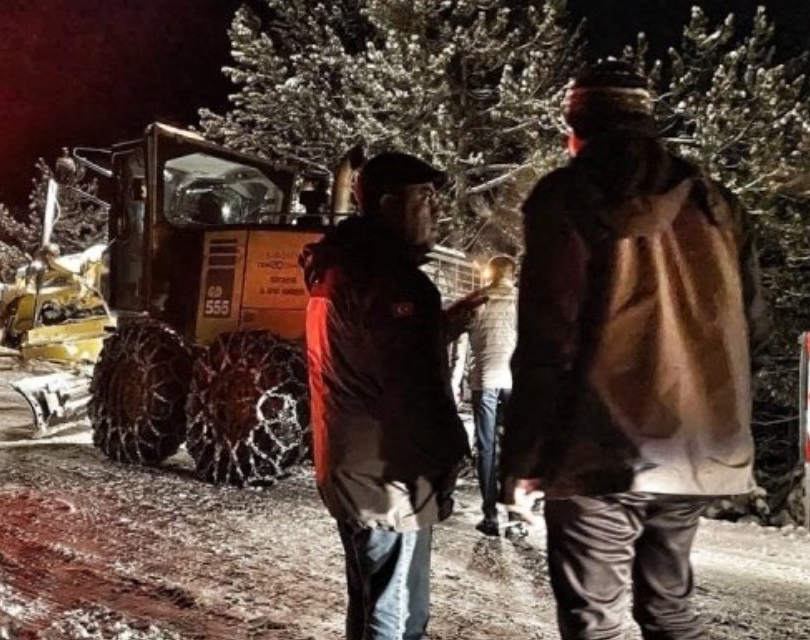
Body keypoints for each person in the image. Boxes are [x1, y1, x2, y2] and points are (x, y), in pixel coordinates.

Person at [500, 60, 770, 639]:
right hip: (699, 445)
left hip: (600, 445)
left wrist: (524, 459)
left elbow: (550, 335)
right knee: (670, 611)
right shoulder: (716, 203)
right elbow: (755, 328)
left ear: (576, 127)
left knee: (594, 620)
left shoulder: (566, 197)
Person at [300, 152, 480, 639]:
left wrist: (439, 326)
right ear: (386, 204)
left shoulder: (343, 267)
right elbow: (409, 386)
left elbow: (371, 350)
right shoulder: (391, 281)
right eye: (424, 197)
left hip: (352, 466)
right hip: (390, 476)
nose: (435, 210)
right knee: (395, 616)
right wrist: (450, 455)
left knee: (369, 603)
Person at [459, 255, 519, 537]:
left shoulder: (476, 300)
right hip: (513, 382)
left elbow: (456, 334)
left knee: (486, 447)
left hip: (484, 380)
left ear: (490, 274)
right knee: (512, 446)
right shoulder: (520, 300)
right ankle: (515, 516)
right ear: (512, 274)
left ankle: (490, 515)